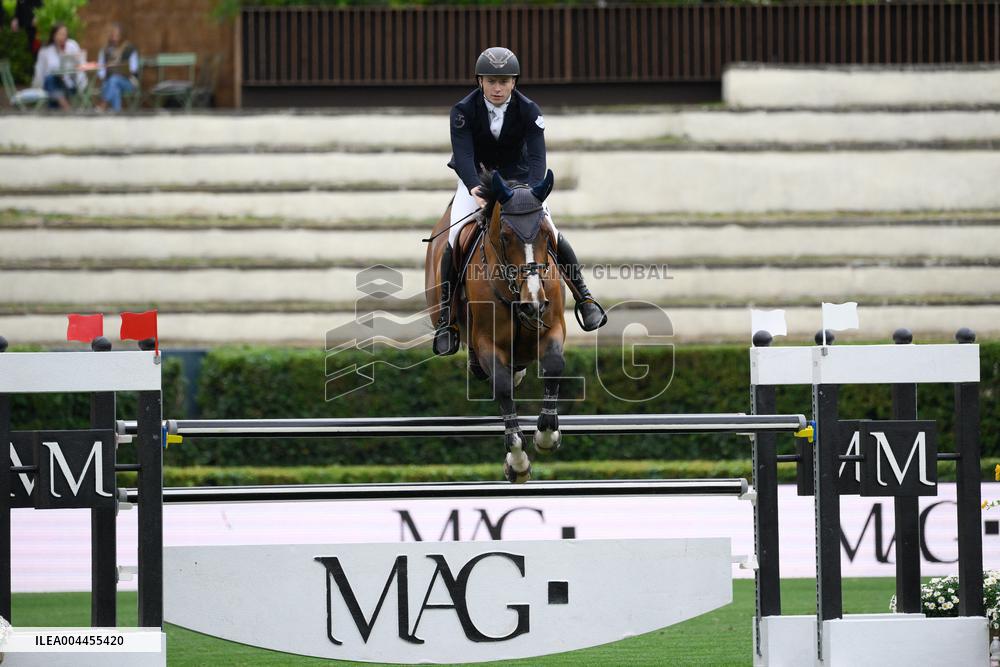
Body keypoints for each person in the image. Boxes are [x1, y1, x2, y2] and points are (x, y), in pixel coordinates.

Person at [434, 46, 607, 356]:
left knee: (551, 231)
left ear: (513, 82)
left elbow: (538, 156)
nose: (497, 88)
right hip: (478, 180)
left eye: (504, 81)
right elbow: (463, 155)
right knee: (454, 239)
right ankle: (447, 321)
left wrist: (534, 191)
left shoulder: (530, 110)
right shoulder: (462, 111)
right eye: (491, 81)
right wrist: (474, 186)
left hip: (522, 183)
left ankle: (585, 297)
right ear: (480, 81)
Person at [31, 22, 85, 110]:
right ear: (53, 35)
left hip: (68, 84)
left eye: (64, 34)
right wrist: (37, 88)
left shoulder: (72, 46)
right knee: (50, 79)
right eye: (60, 34)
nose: (62, 37)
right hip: (50, 85)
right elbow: (39, 71)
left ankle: (63, 107)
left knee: (55, 95)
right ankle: (66, 108)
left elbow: (81, 65)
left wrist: (77, 58)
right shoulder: (45, 51)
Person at [96, 23, 139, 112]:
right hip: (108, 83)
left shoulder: (129, 49)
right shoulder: (104, 51)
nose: (114, 38)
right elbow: (100, 72)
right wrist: (105, 69)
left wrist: (123, 70)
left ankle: (103, 104)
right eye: (112, 35)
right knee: (114, 86)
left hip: (128, 83)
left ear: (121, 36)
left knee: (114, 79)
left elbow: (134, 69)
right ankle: (117, 114)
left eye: (117, 35)